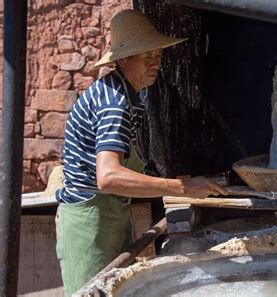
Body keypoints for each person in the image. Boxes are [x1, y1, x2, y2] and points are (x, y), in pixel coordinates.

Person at [55, 9, 227, 296]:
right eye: (146, 56)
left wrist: (174, 180)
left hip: (110, 216)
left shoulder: (124, 93)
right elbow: (108, 176)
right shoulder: (115, 103)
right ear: (122, 59)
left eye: (158, 55)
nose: (155, 63)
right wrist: (181, 188)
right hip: (91, 225)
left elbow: (122, 165)